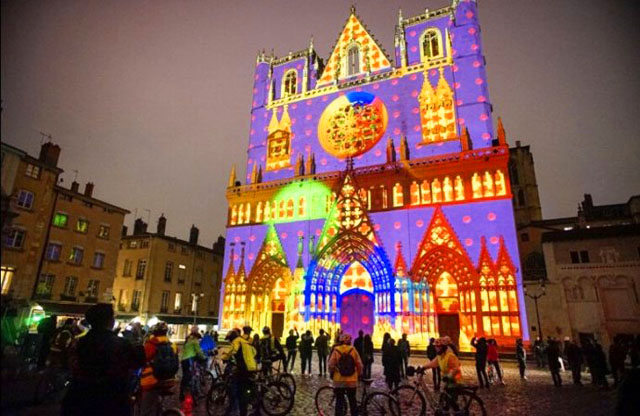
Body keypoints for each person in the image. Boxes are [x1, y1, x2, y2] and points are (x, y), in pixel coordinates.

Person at [62, 303, 145, 416]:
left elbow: (71, 364)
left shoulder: (79, 341)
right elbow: (137, 362)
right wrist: (136, 342)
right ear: (109, 321)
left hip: (81, 396)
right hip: (111, 398)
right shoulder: (120, 343)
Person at [140, 322, 178, 416]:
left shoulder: (150, 345)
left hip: (151, 381)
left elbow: (142, 359)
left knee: (146, 409)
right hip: (168, 380)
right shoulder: (173, 345)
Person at [419, 336, 463, 409]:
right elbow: (432, 363)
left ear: (443, 347)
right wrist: (423, 368)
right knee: (445, 400)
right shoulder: (440, 356)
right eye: (436, 347)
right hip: (448, 381)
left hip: (454, 381)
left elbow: (455, 368)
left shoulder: (450, 356)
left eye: (438, 347)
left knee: (450, 401)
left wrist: (449, 376)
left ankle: (458, 412)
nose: (436, 349)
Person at [224, 327, 258, 416]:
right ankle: (254, 402)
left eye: (229, 340)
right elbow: (254, 352)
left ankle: (243, 411)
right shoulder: (245, 341)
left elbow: (233, 351)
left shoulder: (237, 341)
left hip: (244, 368)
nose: (229, 342)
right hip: (252, 367)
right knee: (249, 386)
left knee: (241, 390)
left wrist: (225, 358)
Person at [328, 333, 363, 416]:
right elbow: (359, 364)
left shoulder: (336, 350)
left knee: (339, 401)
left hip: (339, 380)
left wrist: (332, 373)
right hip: (351, 380)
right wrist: (359, 374)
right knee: (352, 401)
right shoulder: (353, 350)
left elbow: (331, 365)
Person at [180, 326, 206, 401]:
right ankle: (191, 393)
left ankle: (182, 392)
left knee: (185, 376)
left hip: (184, 359)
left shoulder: (188, 339)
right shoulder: (195, 341)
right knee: (190, 375)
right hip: (189, 359)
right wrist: (204, 358)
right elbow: (199, 352)